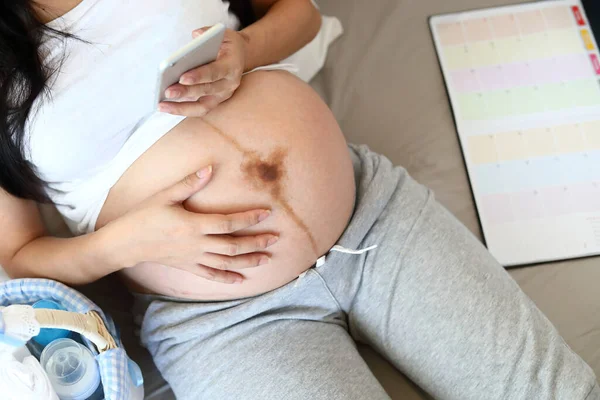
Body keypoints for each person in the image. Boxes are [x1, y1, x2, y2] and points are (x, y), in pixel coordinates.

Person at [0, 1, 598, 399]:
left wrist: (246, 48)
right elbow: (18, 259)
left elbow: (302, 14)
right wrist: (127, 242)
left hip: (373, 217)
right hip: (220, 318)